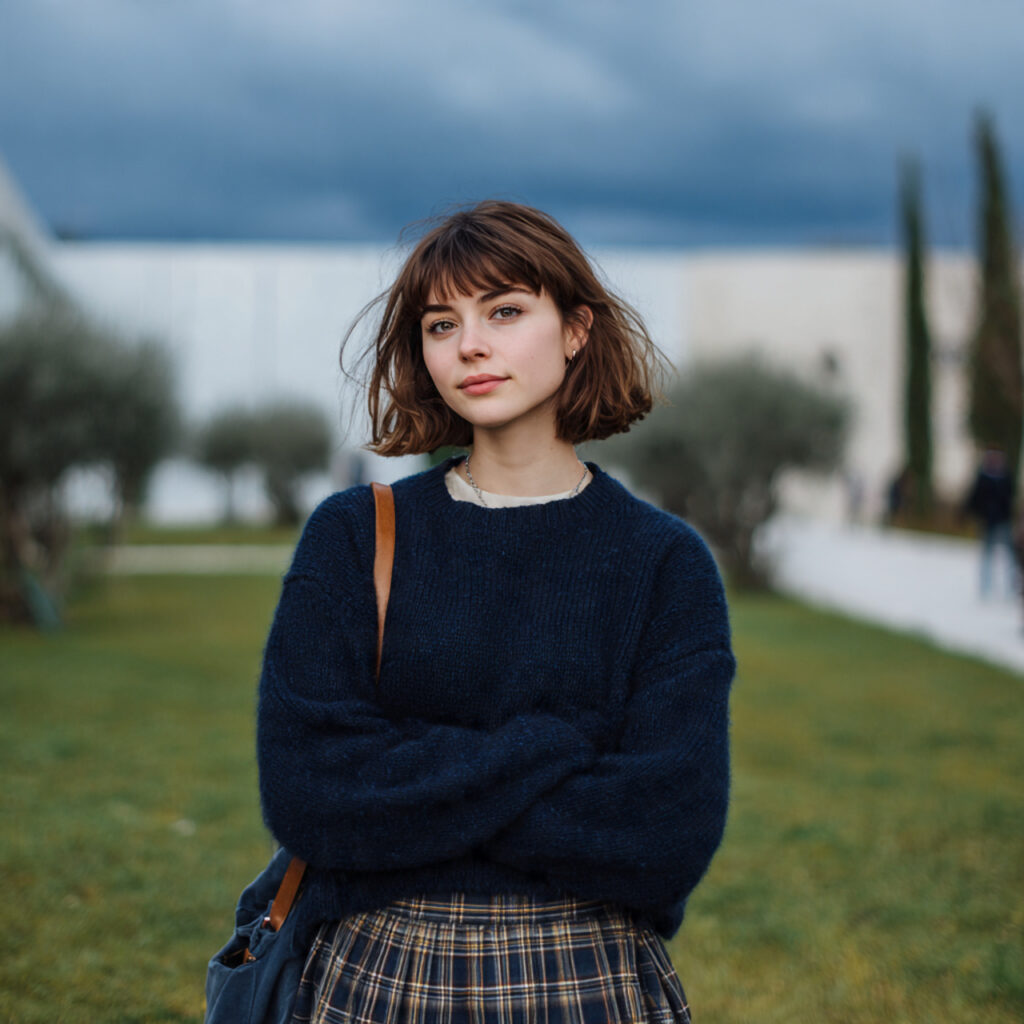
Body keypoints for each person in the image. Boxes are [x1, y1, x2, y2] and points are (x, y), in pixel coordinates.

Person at [256, 201, 736, 1024]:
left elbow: (664, 836)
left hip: (590, 977)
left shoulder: (663, 563)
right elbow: (311, 794)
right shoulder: (355, 536)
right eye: (441, 324)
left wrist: (410, 795)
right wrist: (557, 746)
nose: (469, 345)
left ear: (576, 330)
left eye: (505, 312)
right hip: (381, 973)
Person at [964, 445, 1016, 599]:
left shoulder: (1006, 476)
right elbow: (975, 497)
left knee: (1009, 556)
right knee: (987, 555)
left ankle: (1010, 588)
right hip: (987, 522)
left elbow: (1010, 497)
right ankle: (985, 588)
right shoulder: (983, 477)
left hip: (1003, 521)